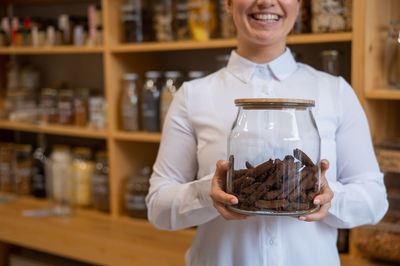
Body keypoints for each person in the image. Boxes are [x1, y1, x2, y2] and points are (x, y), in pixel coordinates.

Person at [145, 0, 389, 265]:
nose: (266, 1)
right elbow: (158, 207)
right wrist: (208, 193)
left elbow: (374, 201)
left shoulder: (336, 92)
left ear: (298, 4)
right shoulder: (192, 96)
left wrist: (329, 197)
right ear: (227, 4)